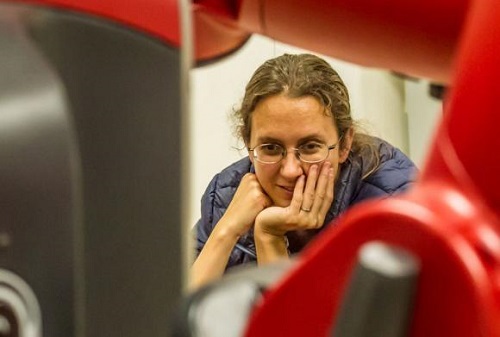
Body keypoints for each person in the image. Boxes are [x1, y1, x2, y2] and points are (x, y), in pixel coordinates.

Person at [190, 53, 417, 290]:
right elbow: (173, 317)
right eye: (271, 148)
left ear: (344, 144)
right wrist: (226, 231)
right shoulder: (227, 194)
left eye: (310, 147)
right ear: (248, 144)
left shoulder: (394, 205)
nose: (290, 170)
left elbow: (296, 327)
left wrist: (269, 237)